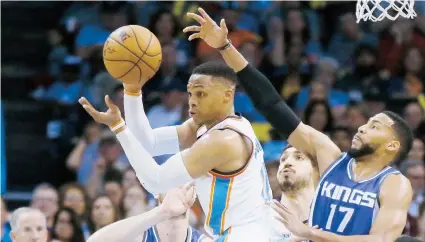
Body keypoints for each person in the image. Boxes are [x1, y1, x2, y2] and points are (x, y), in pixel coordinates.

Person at [182, 7, 413, 241]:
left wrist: (310, 233)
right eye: (367, 123)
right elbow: (272, 105)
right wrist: (225, 48)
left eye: (375, 126)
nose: (363, 127)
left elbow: (381, 239)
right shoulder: (329, 157)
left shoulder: (394, 183)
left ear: (392, 145)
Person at [79, 59, 273, 240]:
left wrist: (119, 128)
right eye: (190, 94)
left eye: (201, 93)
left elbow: (155, 181)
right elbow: (149, 143)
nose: (192, 101)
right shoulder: (210, 126)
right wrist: (132, 91)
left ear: (227, 95)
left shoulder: (222, 140)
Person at [87, 182, 212, 242]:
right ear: (157, 194)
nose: (177, 190)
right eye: (172, 182)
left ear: (194, 193)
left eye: (183, 184)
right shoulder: (139, 237)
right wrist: (162, 211)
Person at [271, 145, 317, 240]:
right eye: (283, 159)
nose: (287, 163)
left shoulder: (331, 217)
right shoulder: (261, 214)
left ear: (317, 170)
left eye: (299, 158)